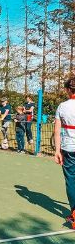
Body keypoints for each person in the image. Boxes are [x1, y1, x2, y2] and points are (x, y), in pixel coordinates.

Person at [53, 76, 75, 227]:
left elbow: (57, 130)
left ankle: (74, 213)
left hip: (69, 148)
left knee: (71, 181)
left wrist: (57, 151)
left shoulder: (62, 106)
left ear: (68, 90)